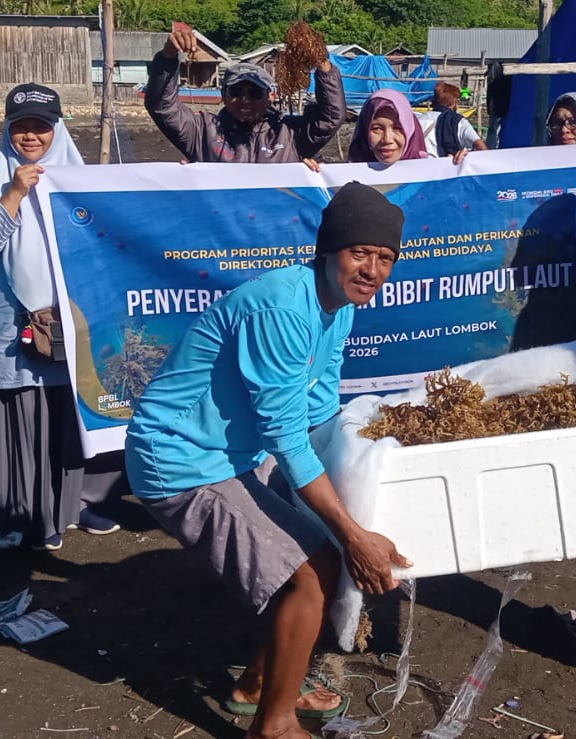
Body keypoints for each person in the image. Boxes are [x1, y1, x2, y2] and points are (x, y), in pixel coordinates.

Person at [126, 182, 411, 739]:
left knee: (315, 555)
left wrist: (374, 453)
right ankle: (274, 725)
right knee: (313, 572)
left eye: (385, 259)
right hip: (181, 458)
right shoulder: (282, 307)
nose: (372, 270)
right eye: (360, 254)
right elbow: (285, 434)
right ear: (328, 251)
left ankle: (262, 682)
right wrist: (353, 535)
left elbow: (320, 406)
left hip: (233, 452)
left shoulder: (338, 308)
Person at [0, 83, 126, 551]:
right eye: (21, 127)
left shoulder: (86, 183)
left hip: (73, 326)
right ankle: (13, 515)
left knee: (67, 420)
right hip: (15, 332)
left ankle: (67, 509)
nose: (31, 136)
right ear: (8, 131)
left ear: (57, 128)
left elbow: (120, 239)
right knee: (21, 419)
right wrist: (13, 194)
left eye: (41, 126)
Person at [146, 24, 345, 164]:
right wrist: (169, 55)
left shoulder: (290, 134)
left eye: (255, 92)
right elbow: (163, 107)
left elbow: (331, 117)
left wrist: (323, 64)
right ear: (223, 94)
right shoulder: (201, 131)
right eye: (236, 91)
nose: (245, 99)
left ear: (271, 96)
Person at [349, 89, 467, 165]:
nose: (387, 139)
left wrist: (466, 166)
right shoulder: (346, 183)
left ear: (410, 130)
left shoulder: (429, 177)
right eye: (377, 129)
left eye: (397, 128)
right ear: (364, 130)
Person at [430, 81, 486, 156]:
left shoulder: (419, 119)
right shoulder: (459, 122)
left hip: (422, 165)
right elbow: (481, 147)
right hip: (450, 164)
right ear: (455, 103)